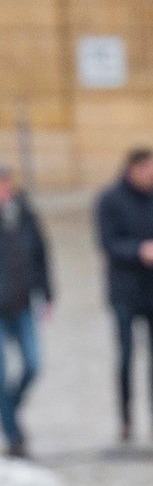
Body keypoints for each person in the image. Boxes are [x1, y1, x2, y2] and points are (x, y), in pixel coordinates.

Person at [94, 148, 153, 443]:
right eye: (148, 170)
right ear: (132, 170)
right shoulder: (110, 199)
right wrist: (139, 251)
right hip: (126, 290)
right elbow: (108, 243)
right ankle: (126, 420)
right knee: (126, 357)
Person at [0, 165, 53, 459]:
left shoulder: (24, 213)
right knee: (0, 376)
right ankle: (14, 434)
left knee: (32, 365)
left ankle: (8, 409)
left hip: (22, 304)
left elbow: (41, 254)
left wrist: (47, 293)